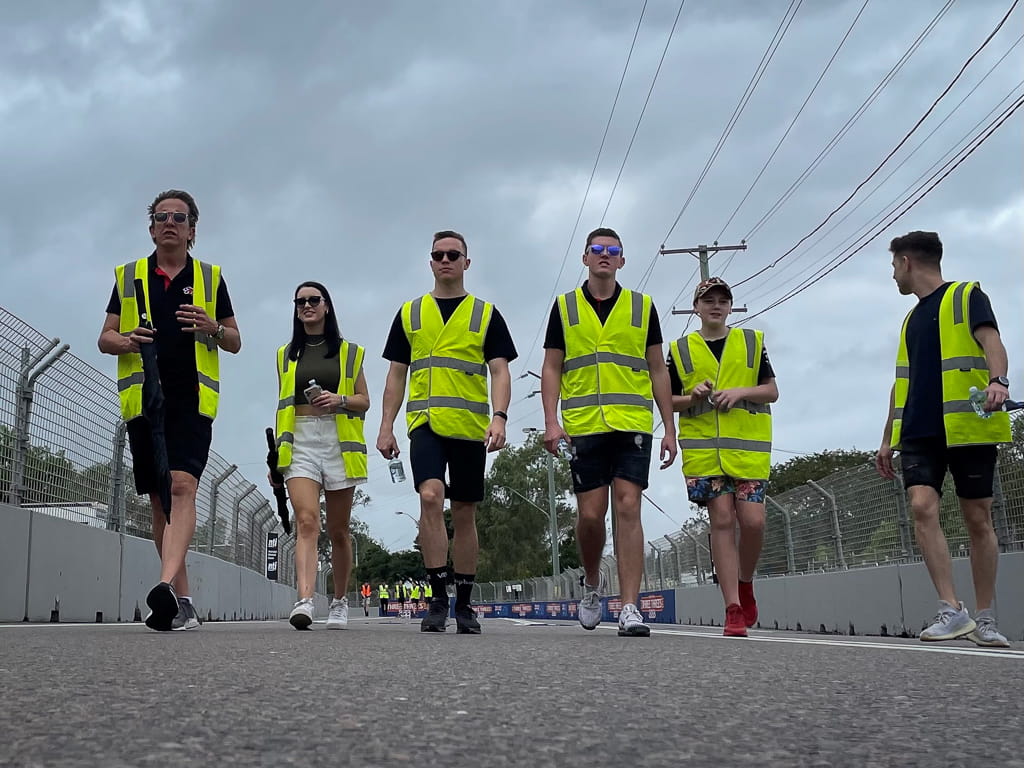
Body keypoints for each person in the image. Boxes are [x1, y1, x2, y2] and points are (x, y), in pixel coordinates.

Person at [98, 189, 241, 632]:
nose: (169, 223)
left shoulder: (211, 278)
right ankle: (182, 602)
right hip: (145, 400)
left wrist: (212, 326)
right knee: (161, 500)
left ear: (192, 229)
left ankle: (162, 584)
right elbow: (105, 337)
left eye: (179, 217)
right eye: (161, 216)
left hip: (193, 399)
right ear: (151, 227)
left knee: (183, 485)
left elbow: (235, 341)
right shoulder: (129, 276)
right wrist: (127, 340)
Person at [377, 230, 517, 634]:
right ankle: (438, 597)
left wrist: (500, 416)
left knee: (465, 512)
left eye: (453, 254)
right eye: (438, 254)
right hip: (426, 426)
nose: (445, 260)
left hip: (471, 428)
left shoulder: (485, 314)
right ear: (430, 261)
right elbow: (396, 375)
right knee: (429, 496)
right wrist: (386, 426)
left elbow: (500, 370)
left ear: (466, 263)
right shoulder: (410, 313)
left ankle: (466, 604)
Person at [876, 231, 1012, 647]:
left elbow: (992, 341)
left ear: (905, 262)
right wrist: (886, 439)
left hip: (967, 427)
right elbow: (902, 382)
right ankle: (951, 609)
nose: (893, 275)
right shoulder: (910, 319)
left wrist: (999, 380)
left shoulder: (968, 295)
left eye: (893, 266)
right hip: (918, 429)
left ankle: (985, 617)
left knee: (977, 518)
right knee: (921, 506)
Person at [541, 227, 676, 638]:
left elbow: (657, 368)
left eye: (612, 251)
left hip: (632, 423)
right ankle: (593, 581)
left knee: (629, 506)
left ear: (621, 260)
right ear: (584, 258)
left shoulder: (642, 307)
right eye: (597, 250)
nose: (604, 255)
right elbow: (551, 366)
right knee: (590, 516)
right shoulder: (564, 308)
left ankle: (631, 606)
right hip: (584, 427)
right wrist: (551, 420)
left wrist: (669, 428)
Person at [669, 277, 778, 638]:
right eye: (708, 300)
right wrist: (694, 396)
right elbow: (667, 400)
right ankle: (732, 606)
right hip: (704, 455)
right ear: (696, 307)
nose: (715, 305)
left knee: (754, 522)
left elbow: (771, 391)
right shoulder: (681, 350)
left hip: (748, 452)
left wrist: (741, 391)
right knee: (721, 522)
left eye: (722, 300)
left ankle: (745, 582)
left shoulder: (751, 342)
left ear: (730, 306)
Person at [271, 281, 370, 631]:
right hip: (299, 440)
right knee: (307, 521)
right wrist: (275, 458)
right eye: (300, 302)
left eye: (314, 300)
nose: (307, 306)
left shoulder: (349, 351)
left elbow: (364, 401)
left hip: (337, 439)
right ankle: (305, 600)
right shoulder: (285, 354)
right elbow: (281, 405)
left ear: (327, 306)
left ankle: (340, 601)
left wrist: (337, 399)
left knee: (339, 530)